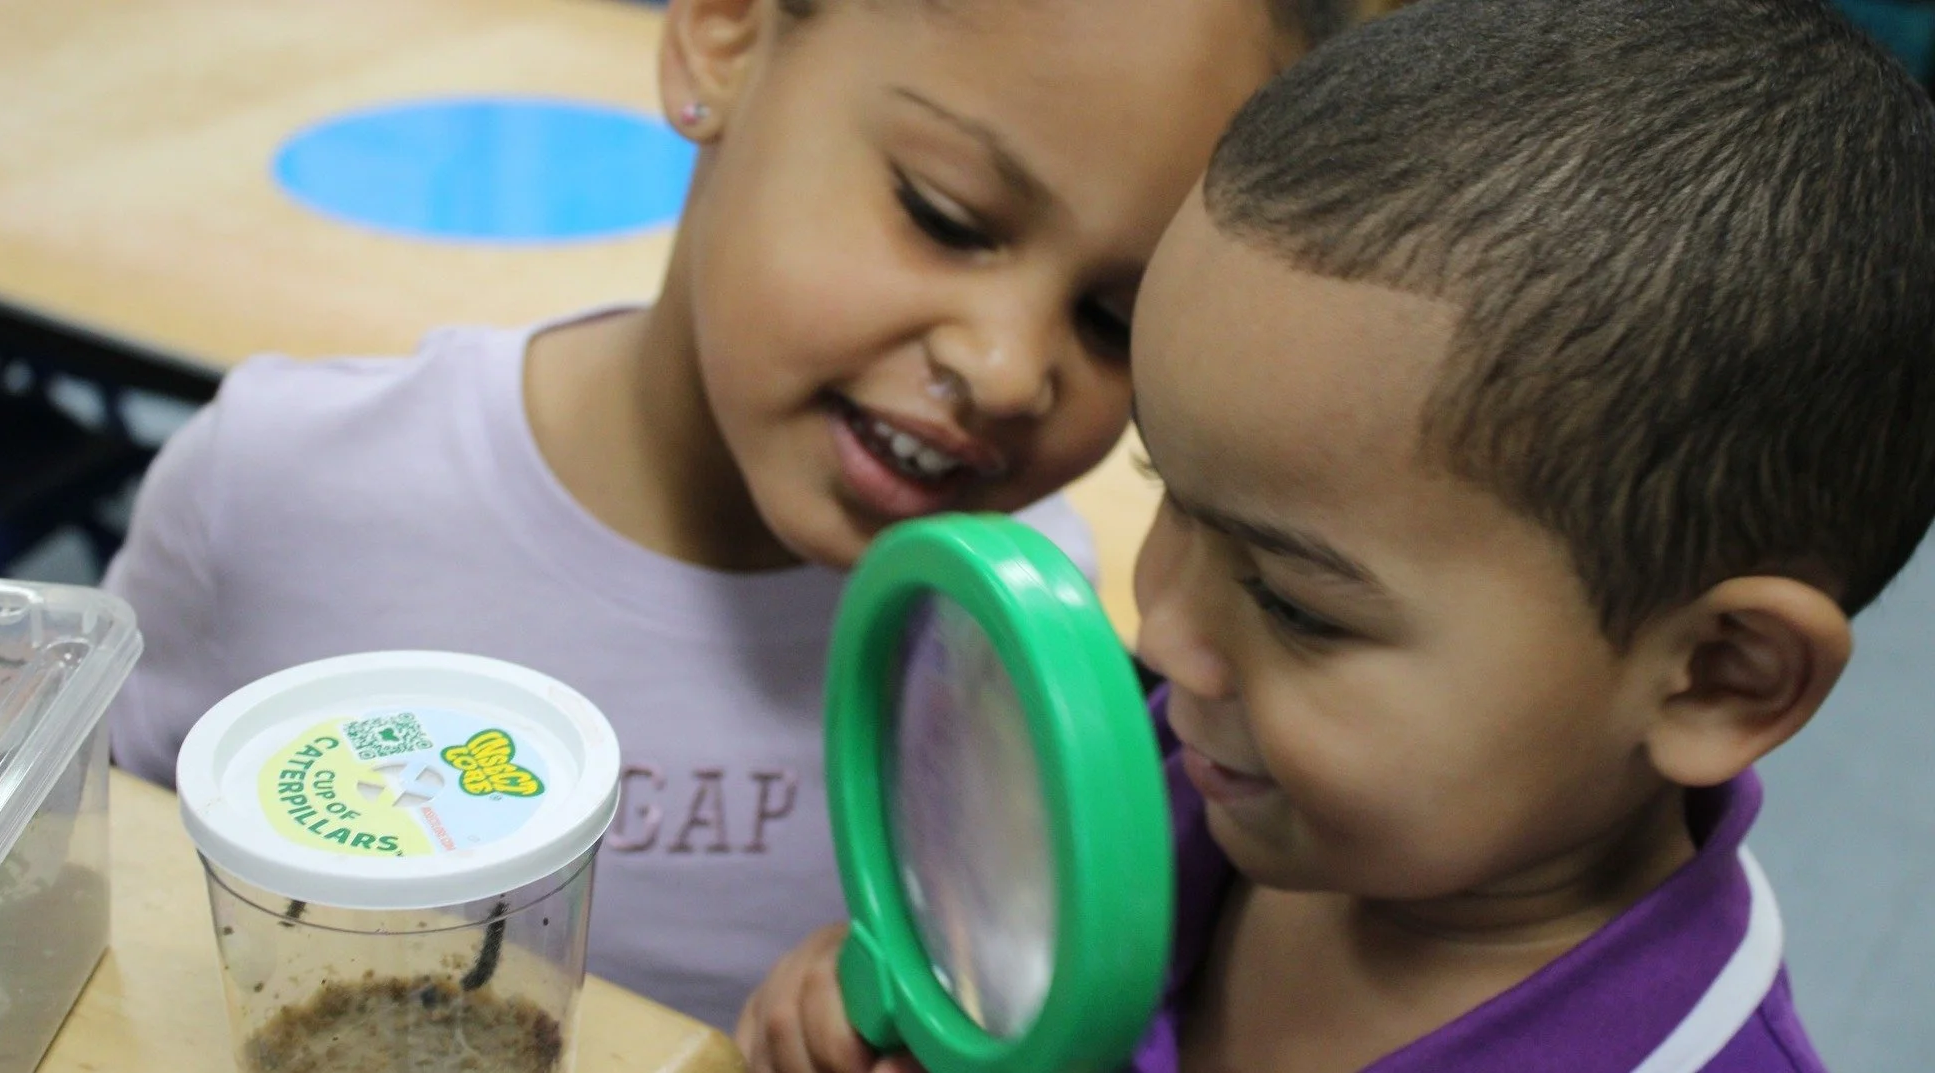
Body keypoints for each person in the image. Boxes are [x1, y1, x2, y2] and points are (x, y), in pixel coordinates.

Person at [103, 0, 1354, 1027]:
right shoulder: (280, 485)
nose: (1008, 365)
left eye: (1112, 321)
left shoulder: (1015, 636)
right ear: (726, 35)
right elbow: (91, 899)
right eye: (945, 214)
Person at [735, 0, 1935, 1068]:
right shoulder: (1177, 769)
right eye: (1166, 492)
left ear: (1718, 675)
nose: (1162, 631)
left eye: (1298, 603)